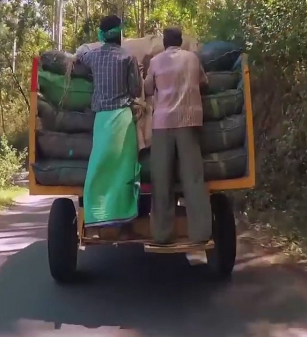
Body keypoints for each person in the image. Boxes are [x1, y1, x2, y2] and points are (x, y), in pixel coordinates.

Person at [144, 26, 212, 244]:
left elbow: (147, 89)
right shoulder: (193, 59)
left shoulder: (155, 62)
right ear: (181, 41)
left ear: (165, 42)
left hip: (162, 124)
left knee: (161, 179)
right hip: (189, 122)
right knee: (193, 178)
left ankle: (162, 235)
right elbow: (204, 83)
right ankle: (200, 234)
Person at [76, 15, 143, 227]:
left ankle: (97, 215)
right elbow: (136, 90)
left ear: (102, 36)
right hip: (123, 120)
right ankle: (123, 212)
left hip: (102, 120)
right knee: (124, 168)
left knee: (100, 167)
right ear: (120, 35)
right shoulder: (127, 58)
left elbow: (80, 54)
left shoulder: (93, 57)